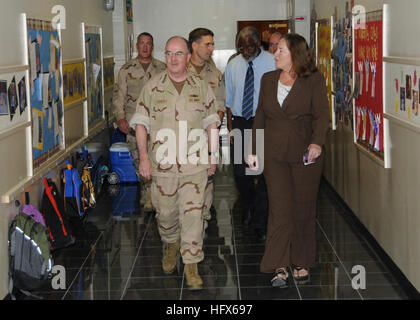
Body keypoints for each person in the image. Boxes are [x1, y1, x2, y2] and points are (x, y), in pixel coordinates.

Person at [129, 36, 220, 291]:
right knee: (165, 213)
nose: (173, 58)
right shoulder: (152, 86)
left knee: (193, 214)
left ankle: (191, 263)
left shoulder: (201, 86)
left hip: (195, 164)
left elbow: (212, 122)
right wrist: (144, 158)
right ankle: (170, 243)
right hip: (163, 165)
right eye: (169, 53)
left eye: (179, 53)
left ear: (188, 57)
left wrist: (213, 154)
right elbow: (140, 124)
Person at [248, 33, 329, 288]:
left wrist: (317, 142)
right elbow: (260, 116)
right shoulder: (268, 79)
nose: (275, 54)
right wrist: (252, 150)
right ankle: (278, 263)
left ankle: (302, 260)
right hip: (273, 156)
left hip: (305, 154)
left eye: (280, 50)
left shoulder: (313, 79)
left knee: (303, 207)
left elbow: (322, 115)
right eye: (276, 49)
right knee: (280, 209)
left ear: (295, 53)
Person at [224, 26, 275, 241]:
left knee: (264, 174)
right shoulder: (233, 65)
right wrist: (230, 128)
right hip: (241, 122)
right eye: (241, 47)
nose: (245, 52)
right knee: (240, 173)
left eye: (249, 47)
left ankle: (261, 221)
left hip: (265, 122)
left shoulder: (273, 62)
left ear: (259, 42)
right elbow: (229, 101)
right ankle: (249, 204)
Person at [112, 32, 166, 211]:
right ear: (137, 46)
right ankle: (147, 194)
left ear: (152, 46)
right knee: (139, 158)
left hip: (158, 122)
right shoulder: (127, 69)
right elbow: (119, 96)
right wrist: (120, 118)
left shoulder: (161, 68)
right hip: (134, 124)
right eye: (142, 43)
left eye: (148, 44)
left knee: (158, 158)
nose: (145, 47)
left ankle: (158, 195)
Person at [188, 27, 225, 226]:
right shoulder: (180, 71)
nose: (211, 48)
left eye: (212, 44)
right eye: (207, 44)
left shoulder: (215, 74)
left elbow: (220, 104)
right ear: (194, 46)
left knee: (207, 179)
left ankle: (203, 216)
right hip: (184, 138)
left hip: (208, 136)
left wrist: (214, 126)